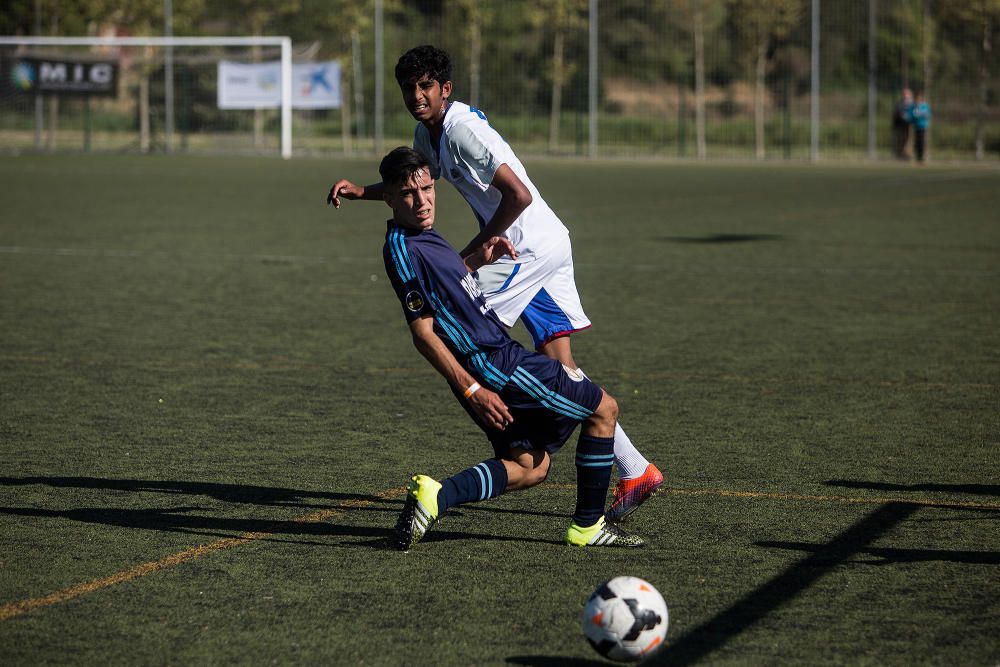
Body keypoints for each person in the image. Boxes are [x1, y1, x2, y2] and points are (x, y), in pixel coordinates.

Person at [328, 45, 661, 522]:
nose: (416, 96)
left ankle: (511, 436)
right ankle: (635, 468)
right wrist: (363, 191)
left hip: (526, 247)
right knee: (560, 364)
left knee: (465, 324)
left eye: (426, 87)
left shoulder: (461, 131)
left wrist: (478, 247)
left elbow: (518, 195)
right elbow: (412, 181)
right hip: (548, 239)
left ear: (445, 90)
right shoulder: (430, 131)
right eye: (409, 88)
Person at [375, 146, 645, 550]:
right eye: (410, 194)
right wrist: (473, 389)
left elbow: (449, 289)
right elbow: (424, 332)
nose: (423, 201)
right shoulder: (403, 247)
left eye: (428, 189)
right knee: (603, 409)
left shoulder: (425, 235)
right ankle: (590, 525)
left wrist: (478, 259)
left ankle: (436, 497)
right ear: (391, 198)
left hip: (493, 359)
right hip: (494, 365)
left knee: (529, 466)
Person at [891, 88, 914, 160]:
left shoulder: (913, 104)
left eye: (907, 94)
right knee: (900, 141)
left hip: (910, 126)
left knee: (909, 141)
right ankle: (900, 156)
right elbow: (895, 114)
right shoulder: (899, 104)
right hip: (900, 126)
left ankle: (908, 155)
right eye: (904, 94)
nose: (905, 95)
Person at [911, 92, 931, 164]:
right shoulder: (915, 106)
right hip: (916, 126)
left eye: (919, 98)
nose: (918, 99)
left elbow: (928, 114)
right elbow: (913, 115)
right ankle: (917, 157)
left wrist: (920, 114)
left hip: (923, 126)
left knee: (922, 142)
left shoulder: (925, 106)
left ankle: (922, 157)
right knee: (917, 142)